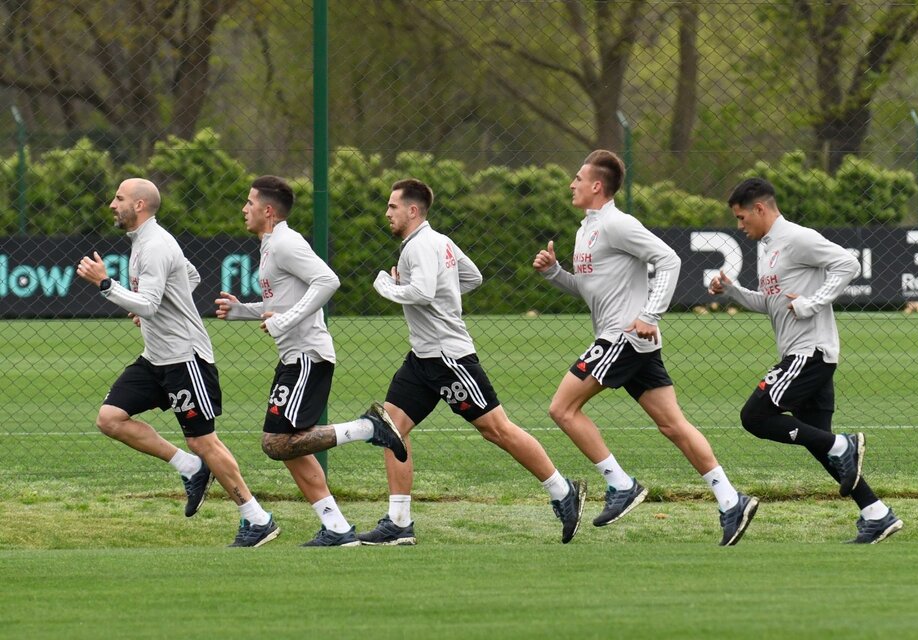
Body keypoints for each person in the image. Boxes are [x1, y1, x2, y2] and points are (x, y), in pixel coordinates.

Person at [532, 149, 758, 546]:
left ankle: (620, 485)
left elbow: (668, 260)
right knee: (673, 424)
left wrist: (650, 316)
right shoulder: (587, 228)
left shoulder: (617, 223)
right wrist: (555, 274)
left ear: (597, 186)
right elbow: (590, 291)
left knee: (562, 408)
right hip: (630, 342)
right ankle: (730, 500)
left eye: (579, 179)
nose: (572, 184)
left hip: (623, 338)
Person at [359, 178, 586, 545]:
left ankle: (563, 492)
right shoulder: (440, 242)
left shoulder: (420, 246)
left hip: (449, 357)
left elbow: (422, 292)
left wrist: (386, 285)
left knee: (497, 429)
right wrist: (440, 291)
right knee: (391, 431)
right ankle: (399, 523)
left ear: (412, 210)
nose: (387, 213)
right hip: (422, 358)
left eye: (392, 206)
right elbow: (472, 277)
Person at [76, 178, 278, 547]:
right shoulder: (145, 242)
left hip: (185, 358)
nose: (111, 204)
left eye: (118, 198)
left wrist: (107, 284)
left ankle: (257, 518)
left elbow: (150, 304)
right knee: (110, 419)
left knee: (203, 440)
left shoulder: (154, 245)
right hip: (156, 358)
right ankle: (189, 468)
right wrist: (149, 305)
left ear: (139, 206)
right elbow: (190, 277)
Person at [214, 175, 406, 547]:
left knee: (275, 443)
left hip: (307, 357)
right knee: (290, 446)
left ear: (268, 211)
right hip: (295, 358)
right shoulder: (271, 245)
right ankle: (336, 528)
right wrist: (242, 312)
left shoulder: (286, 242)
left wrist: (284, 320)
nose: (244, 209)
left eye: (250, 203)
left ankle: (367, 428)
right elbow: (279, 306)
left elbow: (327, 281)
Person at [710, 177, 903, 544]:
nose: (739, 226)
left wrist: (812, 302)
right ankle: (877, 514)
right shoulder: (767, 248)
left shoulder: (796, 238)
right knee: (818, 442)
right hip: (801, 353)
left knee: (755, 416)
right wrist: (733, 291)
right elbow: (770, 304)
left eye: (740, 217)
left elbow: (847, 264)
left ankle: (845, 445)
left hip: (809, 353)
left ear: (760, 209)